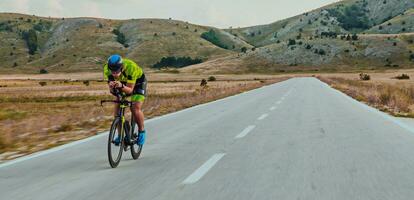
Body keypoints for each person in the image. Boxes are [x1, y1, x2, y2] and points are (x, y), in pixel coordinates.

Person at [103, 54, 147, 145]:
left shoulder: (131, 67)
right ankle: (120, 134)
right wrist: (112, 88)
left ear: (122, 67)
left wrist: (121, 86)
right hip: (122, 82)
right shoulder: (106, 69)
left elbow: (130, 90)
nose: (114, 73)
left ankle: (142, 131)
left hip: (138, 83)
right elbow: (112, 91)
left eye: (117, 71)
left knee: (135, 108)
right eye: (112, 71)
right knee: (117, 109)